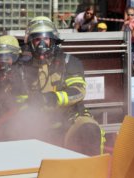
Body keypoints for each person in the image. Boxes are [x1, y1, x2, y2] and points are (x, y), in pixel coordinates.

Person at [22, 17, 103, 156]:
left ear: (53, 40)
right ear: (30, 43)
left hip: (70, 119)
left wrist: (52, 98)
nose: (42, 43)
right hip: (40, 122)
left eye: (46, 39)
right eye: (37, 39)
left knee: (89, 129)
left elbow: (78, 91)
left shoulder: (69, 62)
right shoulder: (23, 69)